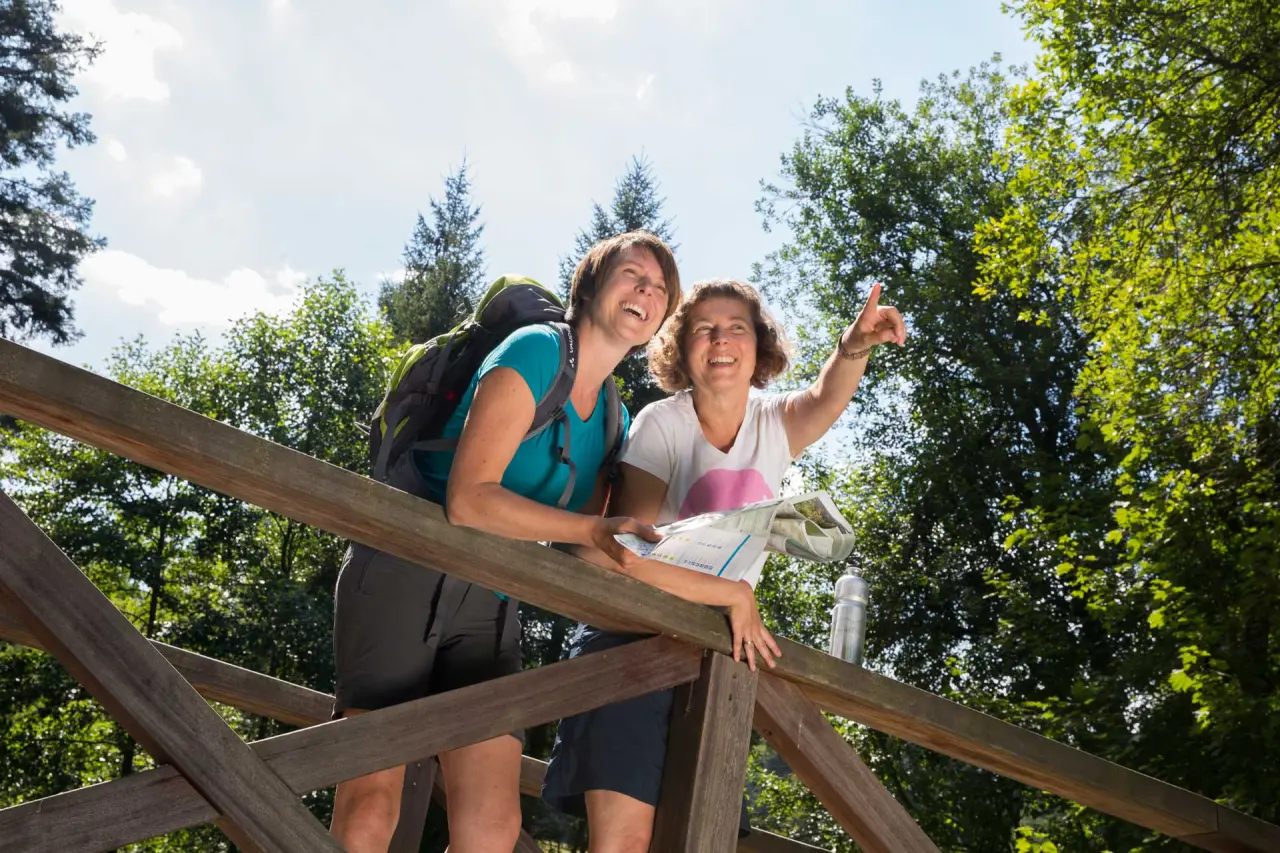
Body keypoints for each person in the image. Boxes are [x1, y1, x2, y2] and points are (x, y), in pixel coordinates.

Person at [329, 231, 681, 853]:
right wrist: (591, 529)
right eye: (632, 274)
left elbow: (587, 550)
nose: (645, 292)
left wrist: (701, 568)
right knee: (371, 805)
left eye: (660, 289)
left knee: (493, 827)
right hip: (402, 571)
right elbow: (469, 499)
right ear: (590, 287)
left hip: (491, 605)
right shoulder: (537, 349)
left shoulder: (613, 417)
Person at [542, 277, 906, 852]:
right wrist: (732, 593)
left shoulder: (773, 424)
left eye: (737, 328)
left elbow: (824, 399)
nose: (721, 340)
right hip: (631, 642)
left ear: (759, 348)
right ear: (680, 347)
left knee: (697, 841)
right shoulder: (662, 424)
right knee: (624, 843)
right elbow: (625, 554)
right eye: (704, 329)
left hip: (714, 660)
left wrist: (854, 344)